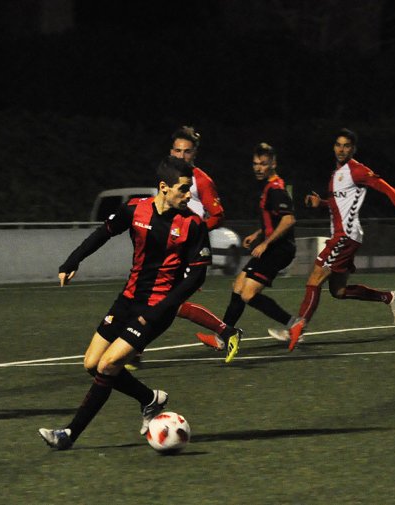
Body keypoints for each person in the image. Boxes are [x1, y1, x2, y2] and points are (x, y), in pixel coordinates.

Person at [39, 156, 211, 450]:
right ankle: (149, 398)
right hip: (128, 299)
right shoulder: (135, 208)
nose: (188, 196)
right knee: (91, 364)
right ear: (164, 188)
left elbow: (196, 277)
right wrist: (72, 260)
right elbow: (103, 233)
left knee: (108, 365)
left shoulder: (193, 224)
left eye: (189, 189)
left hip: (156, 309)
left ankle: (69, 434)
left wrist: (160, 310)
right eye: (183, 189)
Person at [283, 128, 395, 350]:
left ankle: (298, 327)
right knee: (339, 291)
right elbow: (339, 205)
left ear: (353, 149)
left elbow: (389, 190)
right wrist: (322, 204)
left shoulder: (357, 170)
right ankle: (389, 297)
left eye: (346, 146)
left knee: (315, 277)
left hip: (344, 236)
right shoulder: (337, 174)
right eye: (338, 145)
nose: (341, 149)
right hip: (344, 236)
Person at [128, 126, 241, 368]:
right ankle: (135, 351)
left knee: (166, 301)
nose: (181, 156)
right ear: (171, 151)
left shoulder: (201, 180)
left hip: (185, 252)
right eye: (177, 150)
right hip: (167, 249)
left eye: (187, 151)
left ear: (195, 154)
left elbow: (217, 214)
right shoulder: (168, 175)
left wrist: (193, 236)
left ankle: (134, 351)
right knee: (161, 301)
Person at [196, 142, 298, 356]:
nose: (258, 168)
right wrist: (258, 234)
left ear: (273, 163)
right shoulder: (269, 187)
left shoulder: (277, 190)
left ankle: (293, 324)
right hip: (273, 246)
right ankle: (222, 336)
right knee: (238, 285)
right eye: (255, 164)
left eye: (263, 164)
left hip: (279, 249)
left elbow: (288, 220)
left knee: (248, 294)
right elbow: (274, 221)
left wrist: (265, 243)